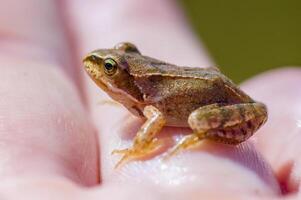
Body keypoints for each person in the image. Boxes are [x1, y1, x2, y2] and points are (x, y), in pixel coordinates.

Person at [0, 0, 300, 199]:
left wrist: (138, 149)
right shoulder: (139, 94)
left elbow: (156, 117)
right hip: (210, 82)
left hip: (216, 99)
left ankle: (199, 134)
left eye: (110, 69)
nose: (100, 68)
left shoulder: (150, 104)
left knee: (197, 121)